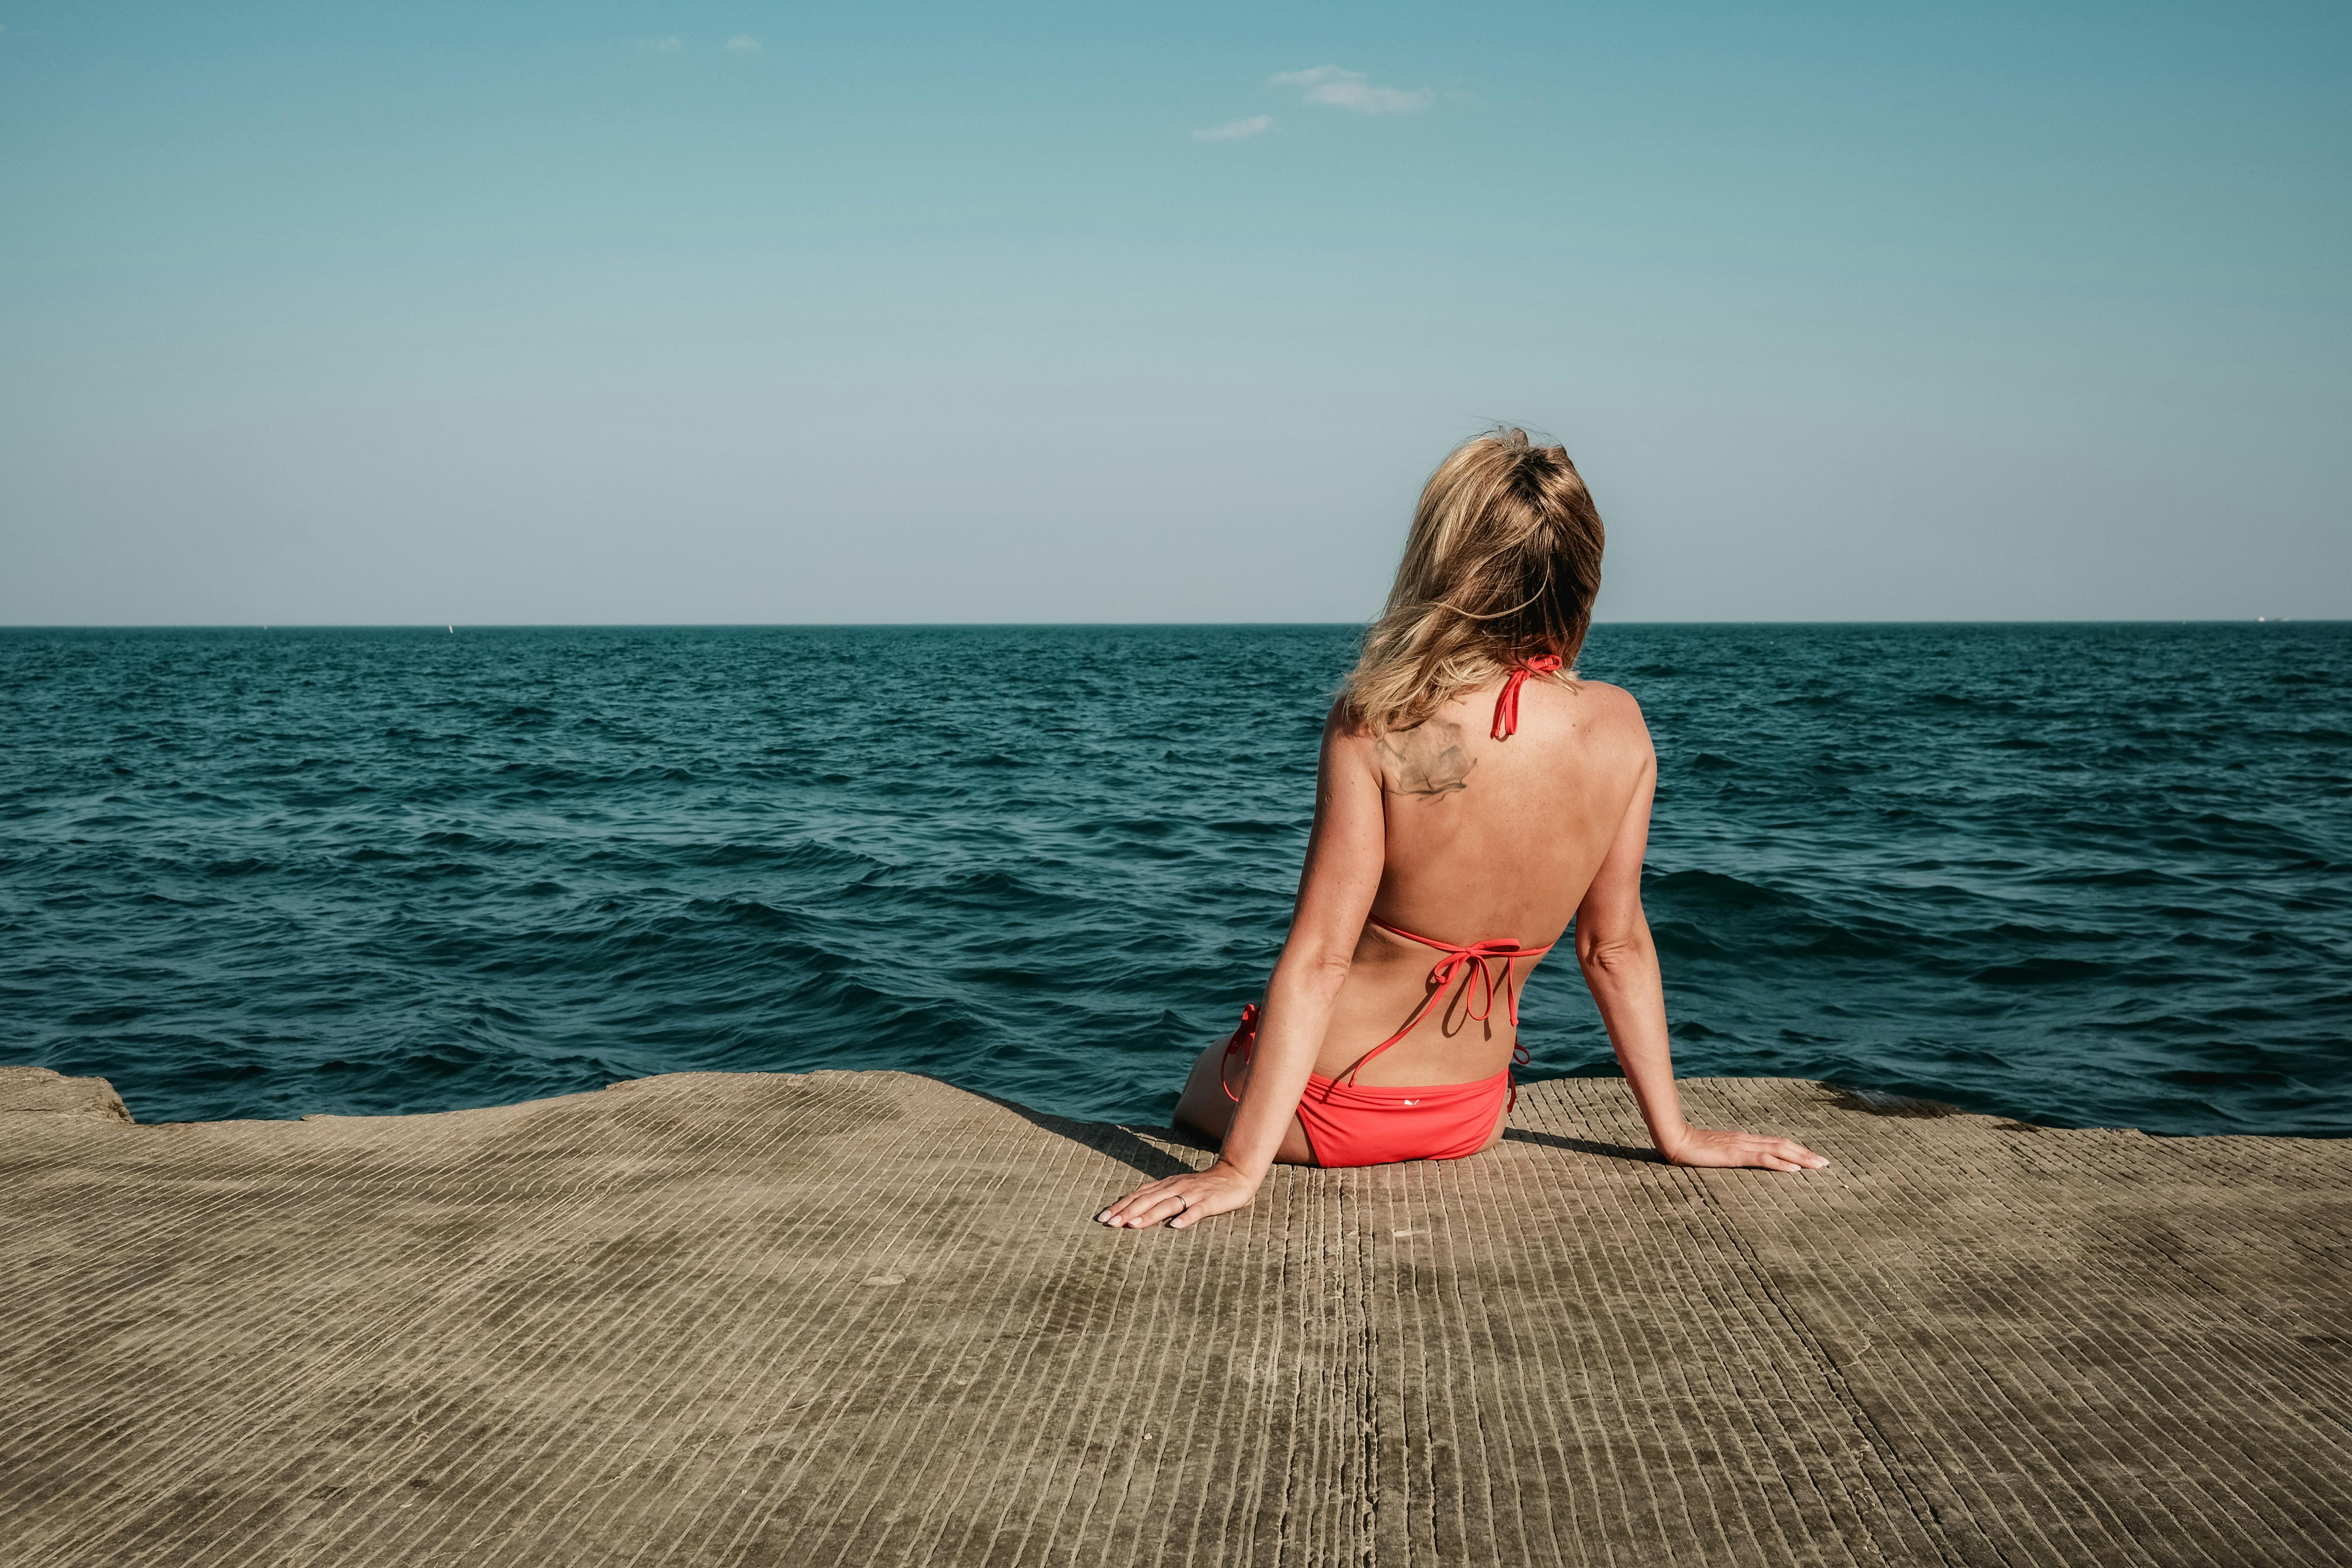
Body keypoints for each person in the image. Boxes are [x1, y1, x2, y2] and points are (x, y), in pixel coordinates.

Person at [1097, 428, 1827, 1231]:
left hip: (1328, 1115)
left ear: (1443, 564)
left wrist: (1239, 1169)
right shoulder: (1620, 728)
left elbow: (1320, 959)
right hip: (1470, 1116)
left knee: (1204, 1074)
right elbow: (1613, 948)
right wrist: (1678, 1135)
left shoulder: (1391, 722)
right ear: (1583, 571)